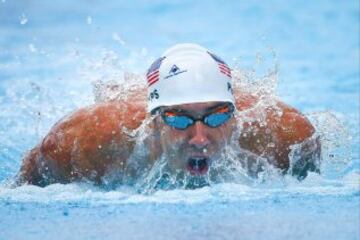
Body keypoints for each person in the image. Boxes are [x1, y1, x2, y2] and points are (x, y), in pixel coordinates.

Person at [16, 43, 320, 188]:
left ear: (235, 114)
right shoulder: (88, 143)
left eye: (216, 118)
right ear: (154, 120)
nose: (200, 138)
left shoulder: (288, 138)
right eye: (178, 119)